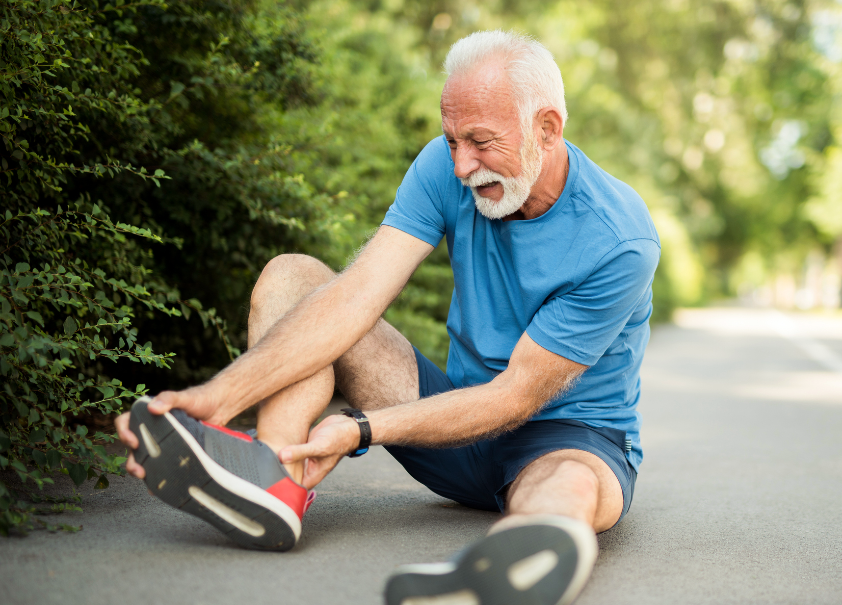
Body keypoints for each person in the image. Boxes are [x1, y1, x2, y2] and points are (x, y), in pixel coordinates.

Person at [115, 30, 659, 605]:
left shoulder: (618, 240)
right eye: (452, 140)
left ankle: (506, 567)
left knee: (565, 484)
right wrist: (218, 397)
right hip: (451, 423)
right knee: (293, 276)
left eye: (479, 142)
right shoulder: (446, 167)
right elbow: (356, 297)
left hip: (564, 440)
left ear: (546, 130)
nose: (460, 165)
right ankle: (276, 475)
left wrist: (360, 429)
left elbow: (514, 399)